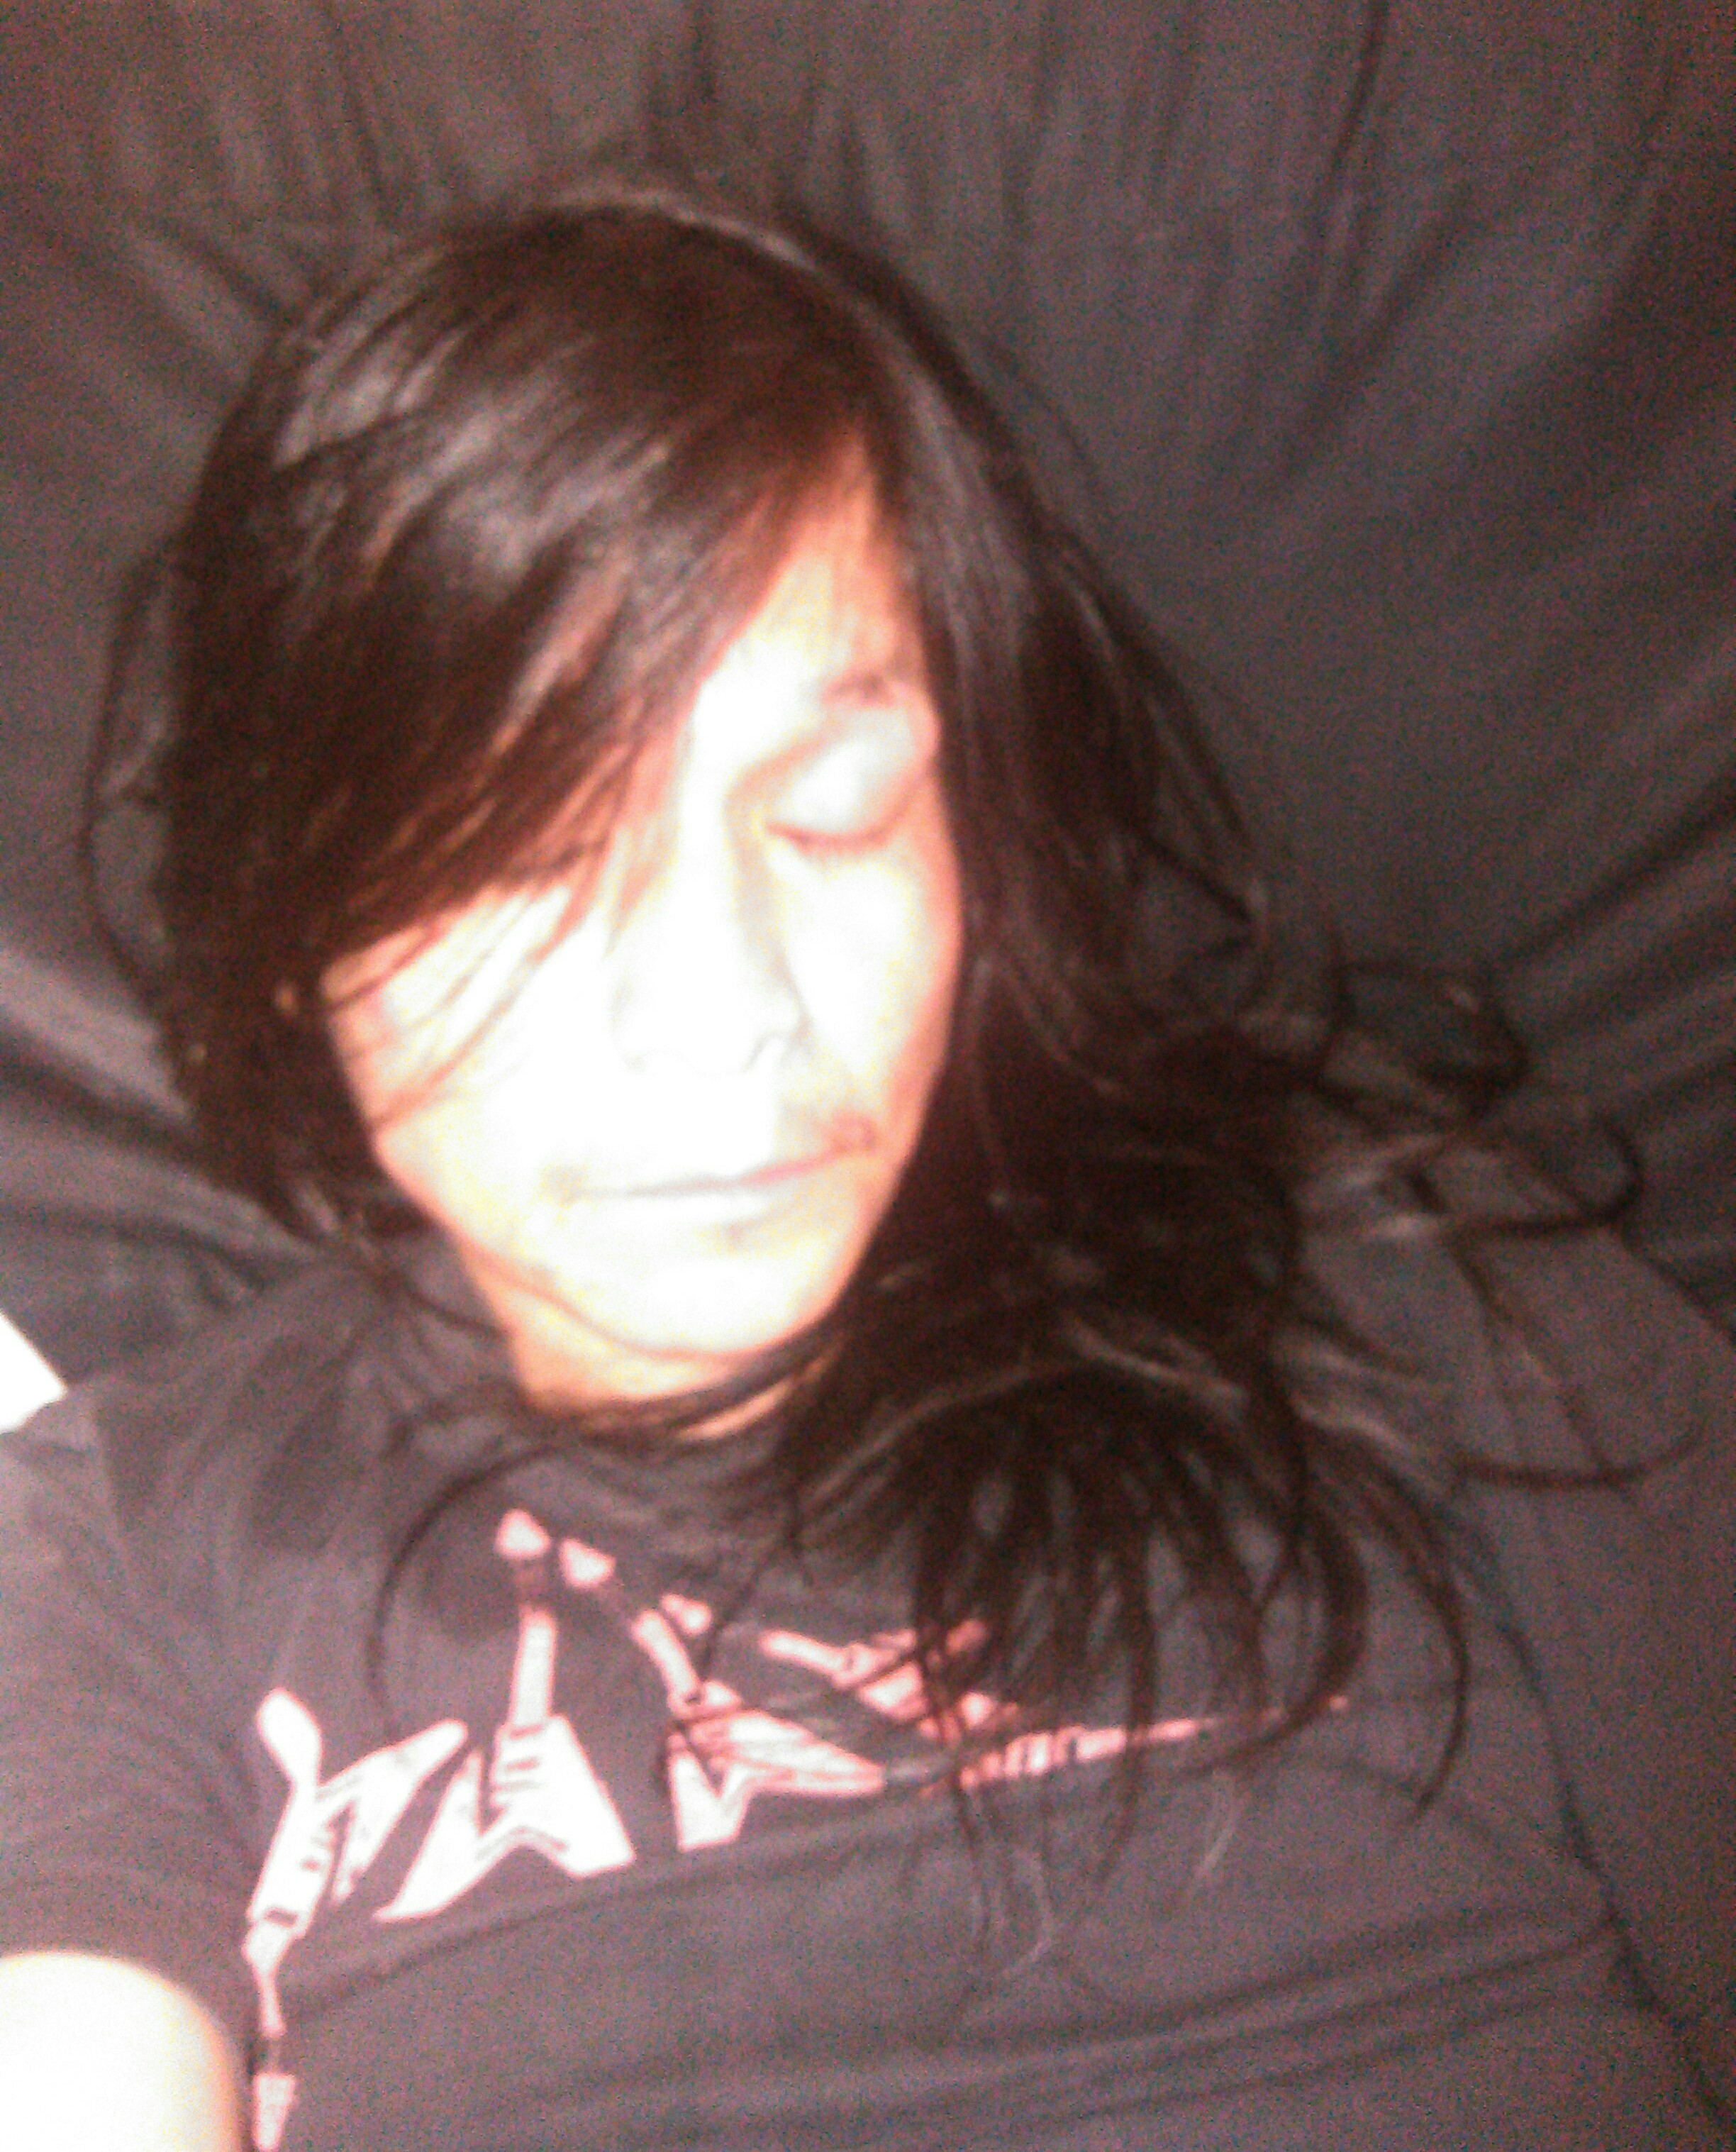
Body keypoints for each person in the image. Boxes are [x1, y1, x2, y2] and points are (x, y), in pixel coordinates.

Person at [0, 176, 1730, 2152]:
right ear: (294, 919)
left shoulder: (1387, 1251)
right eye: (525, 851)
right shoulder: (114, 1539)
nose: (727, 1002)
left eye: (834, 814)